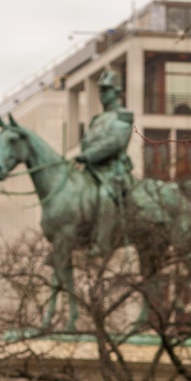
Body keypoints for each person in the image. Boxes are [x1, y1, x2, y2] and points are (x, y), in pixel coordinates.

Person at [75, 67, 134, 254]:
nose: (102, 94)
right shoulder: (96, 120)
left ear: (117, 92)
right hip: (92, 170)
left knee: (104, 196)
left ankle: (102, 243)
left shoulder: (122, 116)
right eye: (101, 90)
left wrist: (88, 156)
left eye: (106, 90)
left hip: (111, 170)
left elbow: (114, 142)